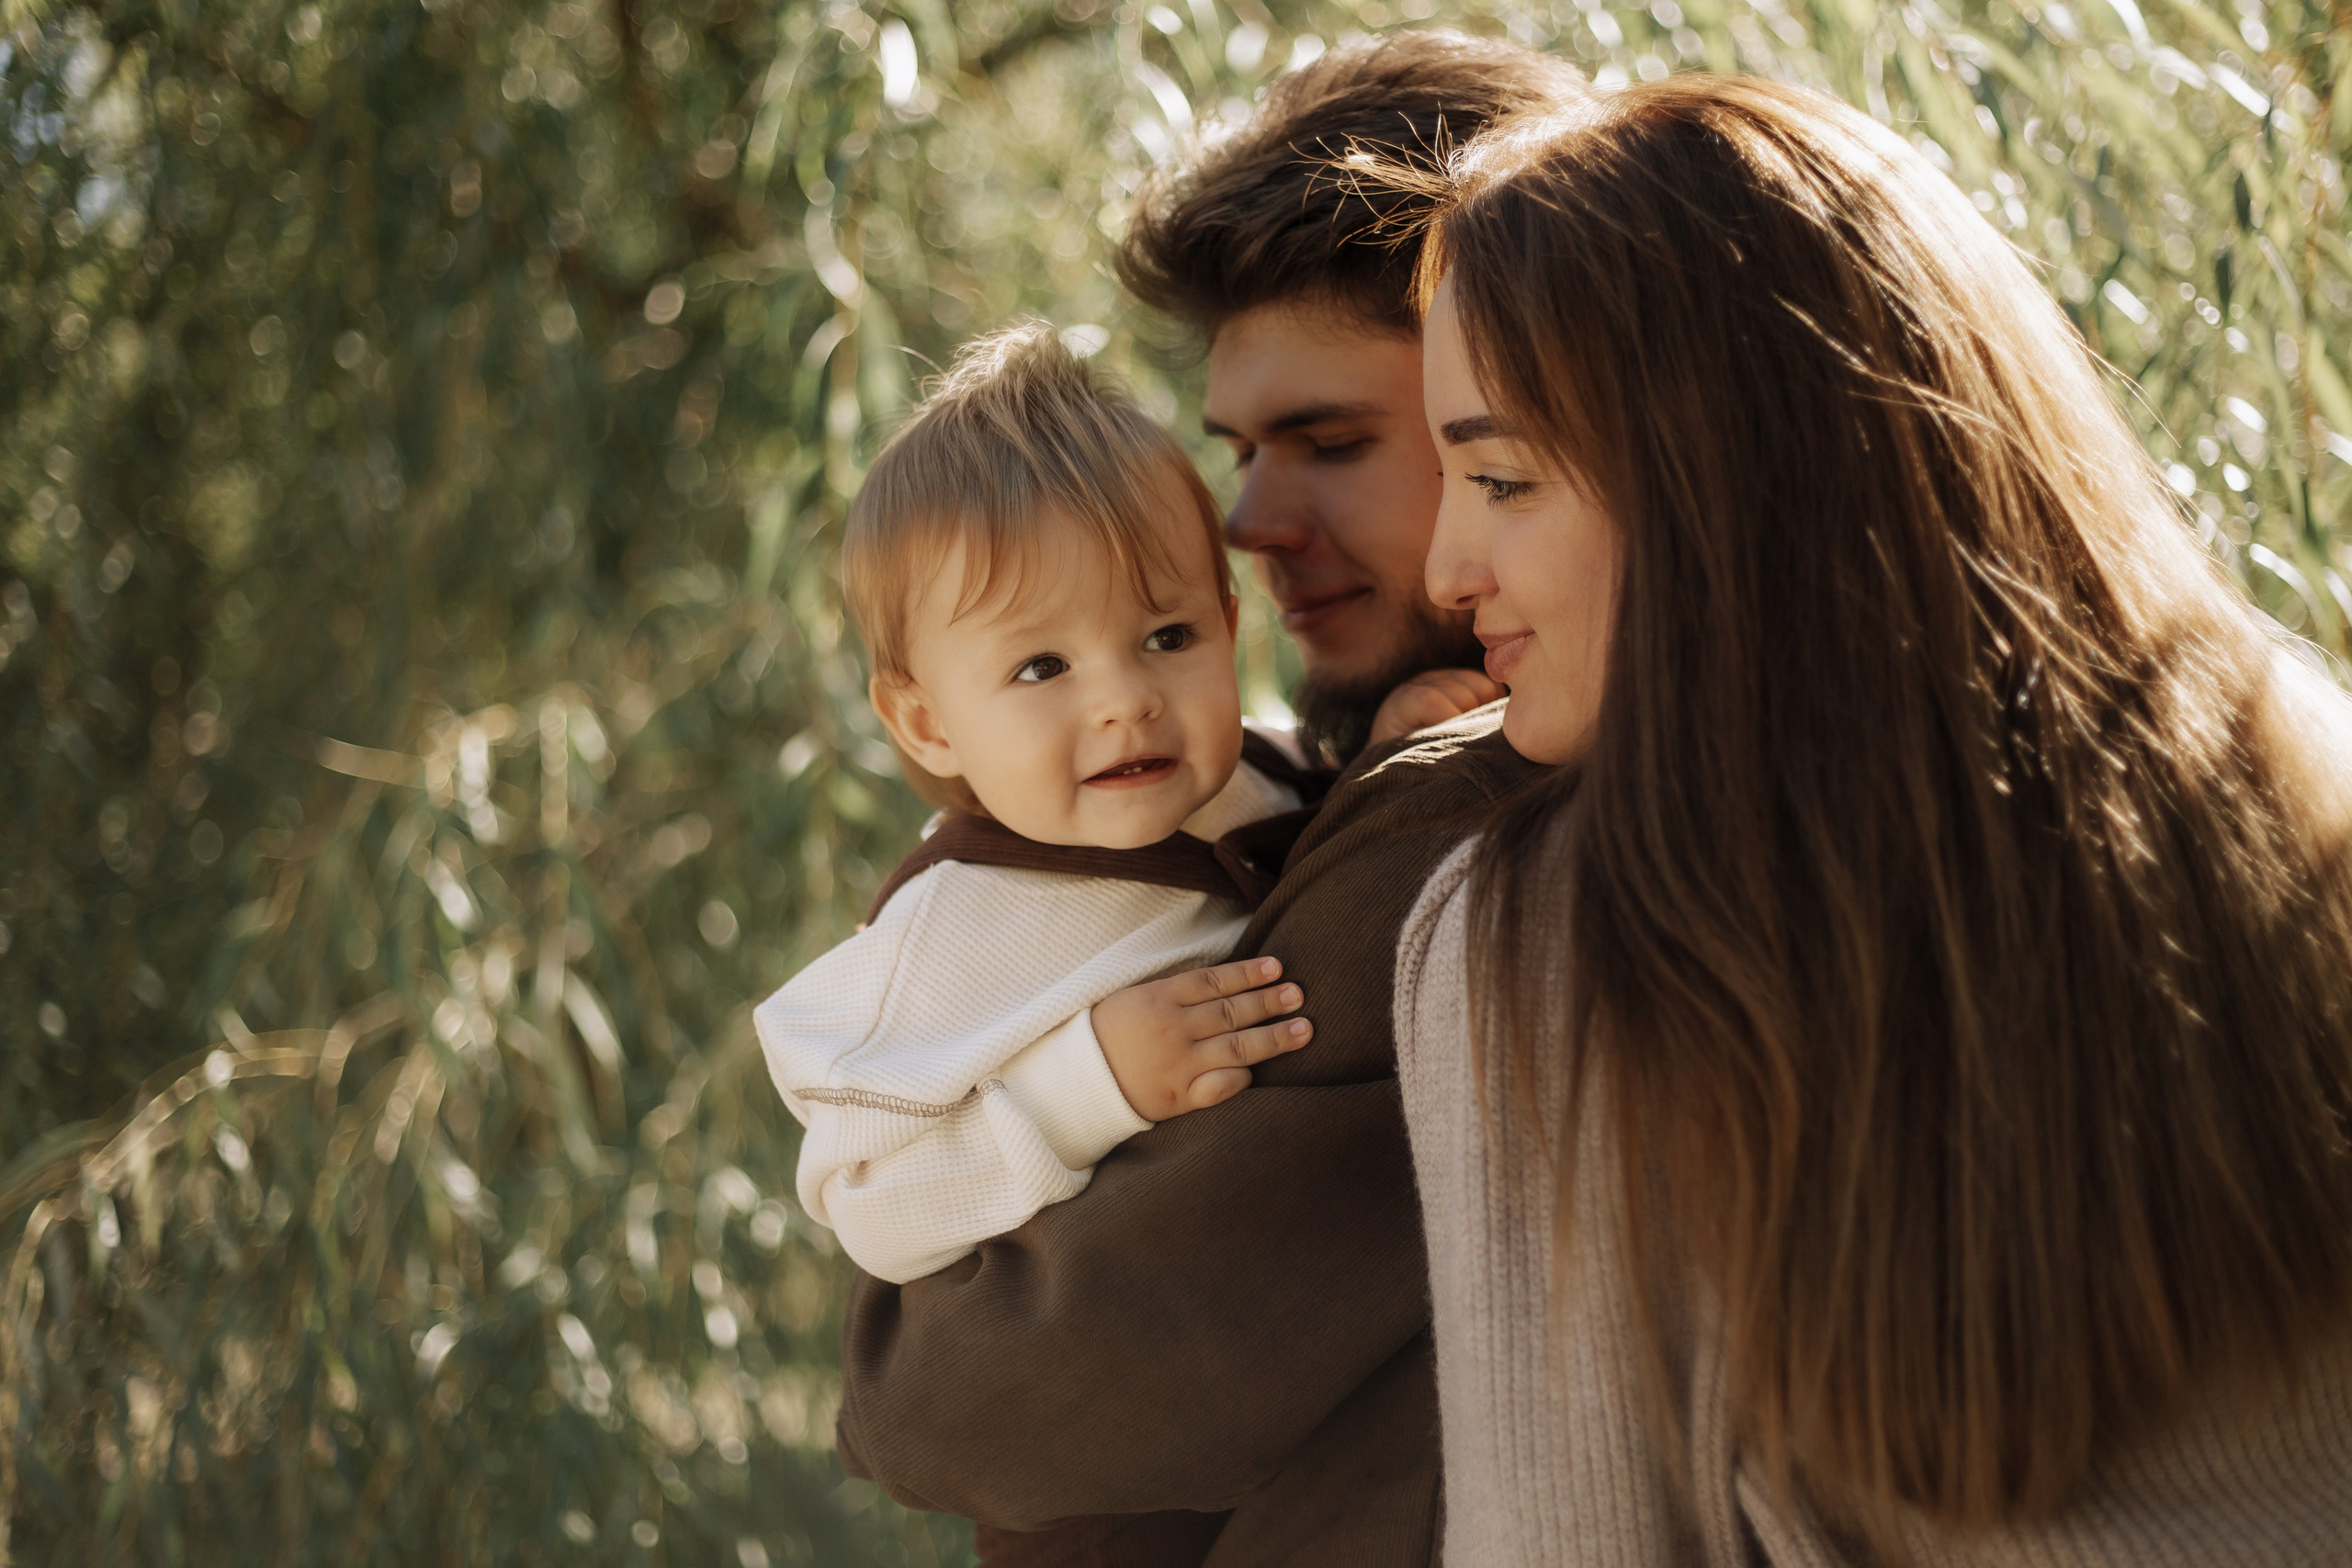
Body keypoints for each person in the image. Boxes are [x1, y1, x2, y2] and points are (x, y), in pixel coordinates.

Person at [1387, 75, 2352, 1564]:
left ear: (1724, 481)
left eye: (1500, 477)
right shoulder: (2298, 766)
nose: (1446, 565)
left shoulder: (1553, 938)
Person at [830, 33, 1582, 1568]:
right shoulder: (1265, 800)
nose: (1247, 524)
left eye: (1333, 442)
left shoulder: (1481, 818)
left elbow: (943, 1403)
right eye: (1242, 449)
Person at [756, 323, 1320, 1286]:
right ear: (925, 722)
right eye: (1042, 666)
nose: (1124, 699)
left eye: (1167, 634)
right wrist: (1085, 1087)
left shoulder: (1272, 774)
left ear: (1230, 627)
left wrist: (1395, 743)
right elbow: (872, 1212)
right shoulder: (951, 933)